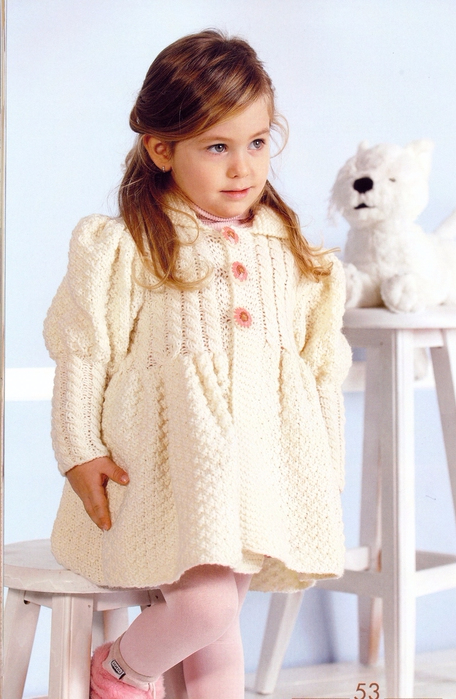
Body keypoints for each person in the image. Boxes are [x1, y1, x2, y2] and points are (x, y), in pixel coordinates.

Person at [43, 29, 352, 699]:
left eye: (257, 143)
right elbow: (84, 348)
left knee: (220, 625)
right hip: (167, 469)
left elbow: (319, 368)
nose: (242, 168)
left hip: (255, 467)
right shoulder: (130, 243)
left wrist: (325, 466)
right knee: (207, 610)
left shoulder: (292, 252)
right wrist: (78, 448)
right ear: (162, 149)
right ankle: (119, 672)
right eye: (218, 147)